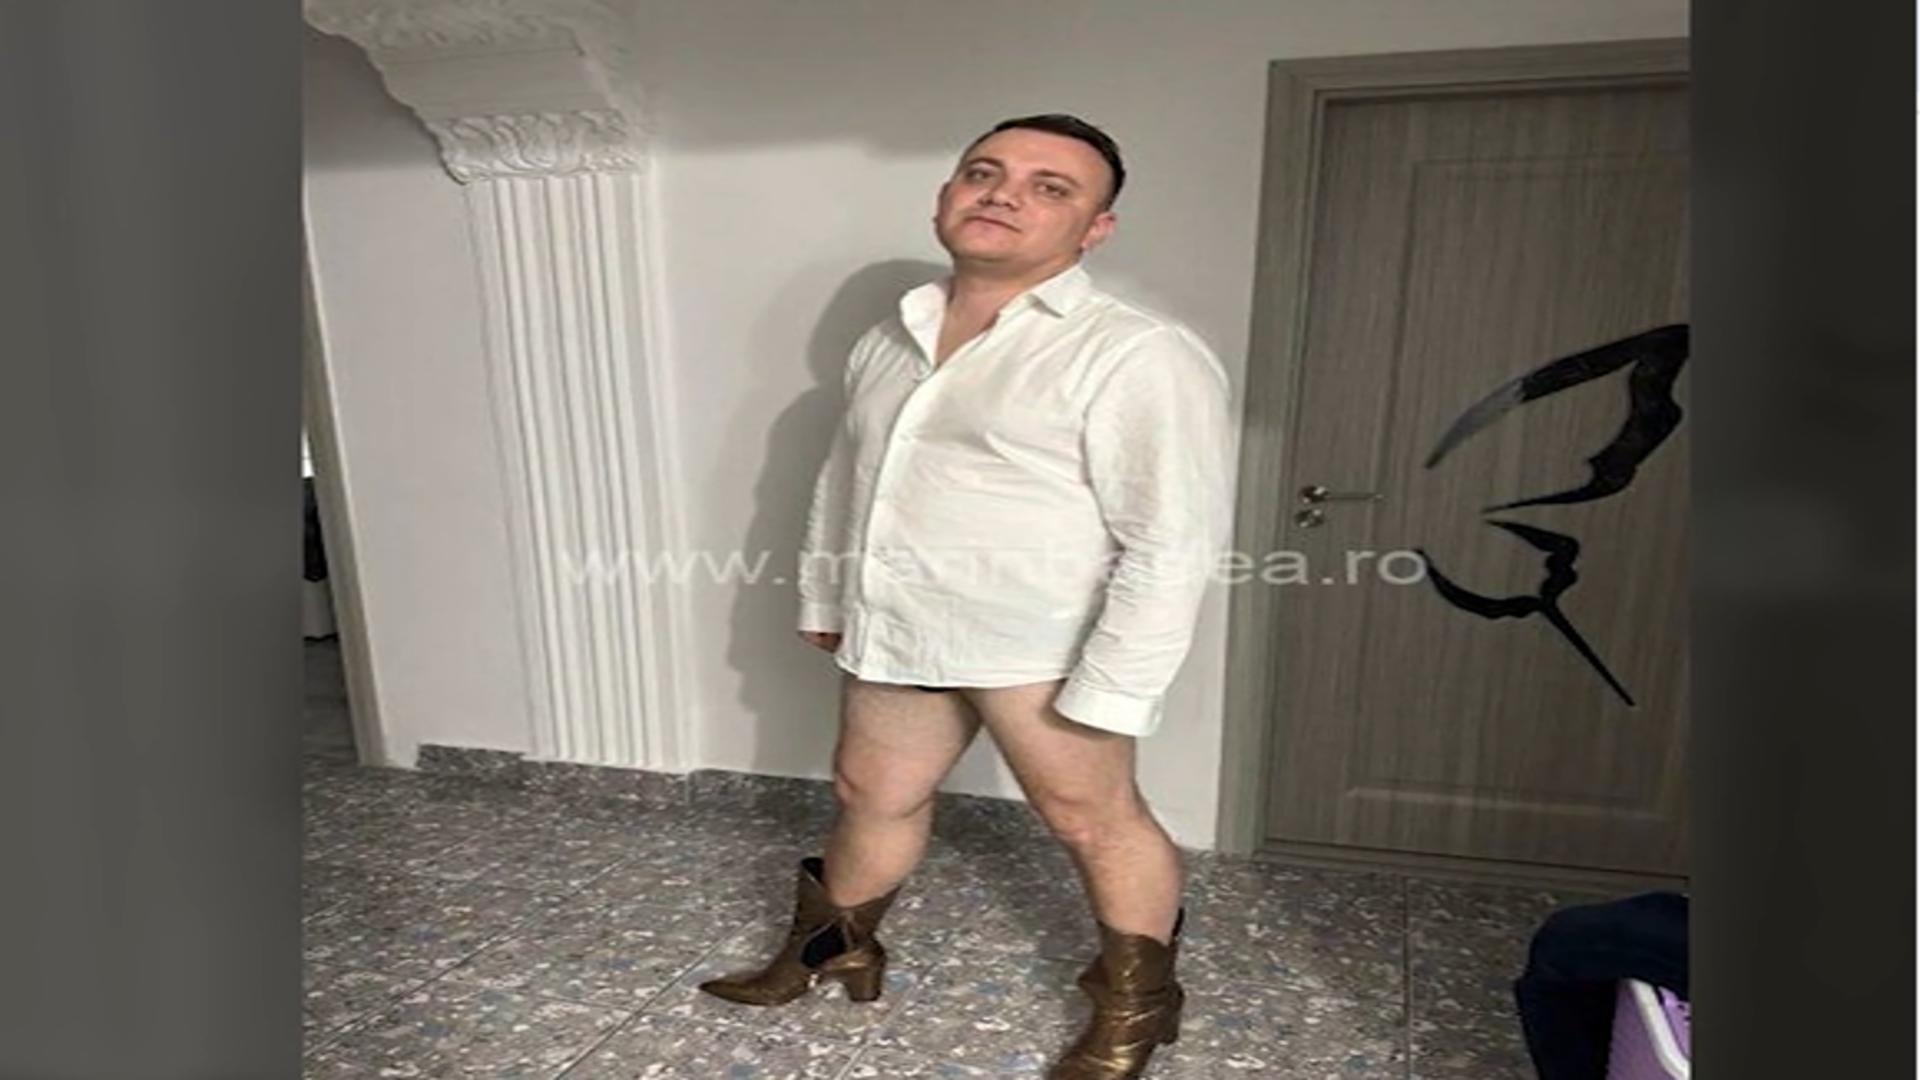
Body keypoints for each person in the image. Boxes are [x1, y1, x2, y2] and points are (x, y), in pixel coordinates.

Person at [698, 113, 1234, 1080]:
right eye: (984, 173)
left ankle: (1139, 1010)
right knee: (871, 793)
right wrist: (827, 596)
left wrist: (1118, 685)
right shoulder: (890, 335)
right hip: (902, 623)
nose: (1004, 194)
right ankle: (833, 948)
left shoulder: (1136, 352)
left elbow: (1171, 538)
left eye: (1050, 187)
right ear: (946, 195)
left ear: (1096, 229)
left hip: (1042, 641)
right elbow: (845, 477)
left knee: (1093, 820)